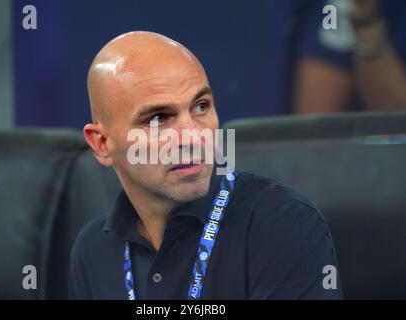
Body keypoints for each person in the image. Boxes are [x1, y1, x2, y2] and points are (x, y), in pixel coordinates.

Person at [69, 31, 341, 299]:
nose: (192, 136)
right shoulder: (93, 250)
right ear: (102, 144)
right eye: (158, 119)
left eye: (200, 106)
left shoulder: (283, 224)